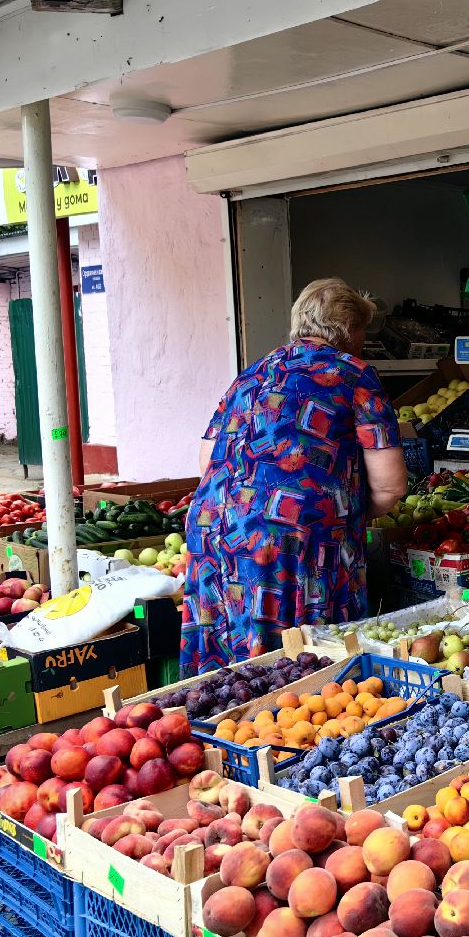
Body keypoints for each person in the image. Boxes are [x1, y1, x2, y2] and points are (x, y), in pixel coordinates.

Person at [181, 278, 407, 674]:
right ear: (350, 329)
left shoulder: (251, 374)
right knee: (301, 666)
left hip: (214, 531)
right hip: (294, 541)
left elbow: (206, 462)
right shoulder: (354, 374)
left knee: (228, 671)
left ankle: (219, 728)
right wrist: (343, 514)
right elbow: (390, 486)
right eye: (362, 332)